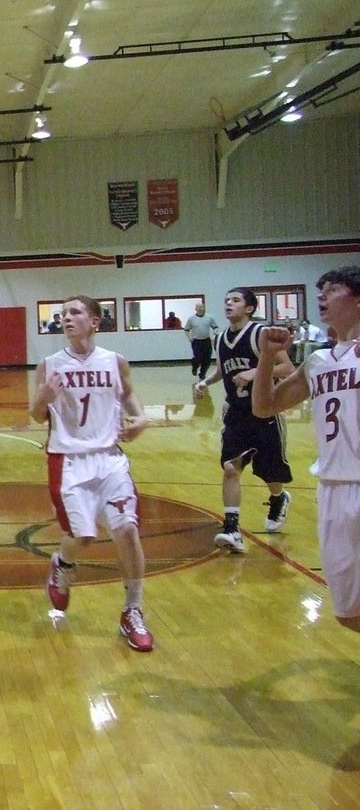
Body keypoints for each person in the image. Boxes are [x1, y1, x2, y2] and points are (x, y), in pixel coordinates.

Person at [28, 295, 154, 652]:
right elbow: (36, 415)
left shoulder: (115, 361)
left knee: (127, 530)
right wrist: (44, 396)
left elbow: (130, 397)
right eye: (63, 314)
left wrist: (141, 419)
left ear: (95, 321)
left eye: (75, 312)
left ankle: (132, 610)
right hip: (68, 461)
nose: (66, 318)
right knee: (83, 538)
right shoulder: (50, 365)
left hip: (110, 458)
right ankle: (63, 563)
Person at [253, 266, 360, 633]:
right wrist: (268, 356)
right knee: (348, 613)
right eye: (320, 291)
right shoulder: (318, 362)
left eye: (332, 290)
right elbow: (264, 406)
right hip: (333, 489)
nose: (321, 297)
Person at [194, 288, 294, 550]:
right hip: (236, 413)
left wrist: (254, 372)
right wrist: (205, 382)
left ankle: (279, 498)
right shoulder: (220, 338)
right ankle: (232, 529)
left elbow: (288, 368)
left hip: (265, 411)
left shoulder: (261, 334)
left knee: (271, 472)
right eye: (227, 300)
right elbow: (222, 371)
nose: (229, 304)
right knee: (230, 467)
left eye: (235, 300)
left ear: (249, 308)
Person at [184, 302, 219, 380]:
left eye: (201, 307)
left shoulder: (209, 318)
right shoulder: (191, 319)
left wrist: (216, 332)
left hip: (206, 341)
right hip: (196, 341)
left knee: (207, 359)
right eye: (198, 307)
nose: (200, 309)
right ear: (195, 309)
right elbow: (186, 329)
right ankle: (194, 366)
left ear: (204, 308)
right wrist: (189, 338)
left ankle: (202, 374)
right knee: (198, 357)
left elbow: (215, 327)